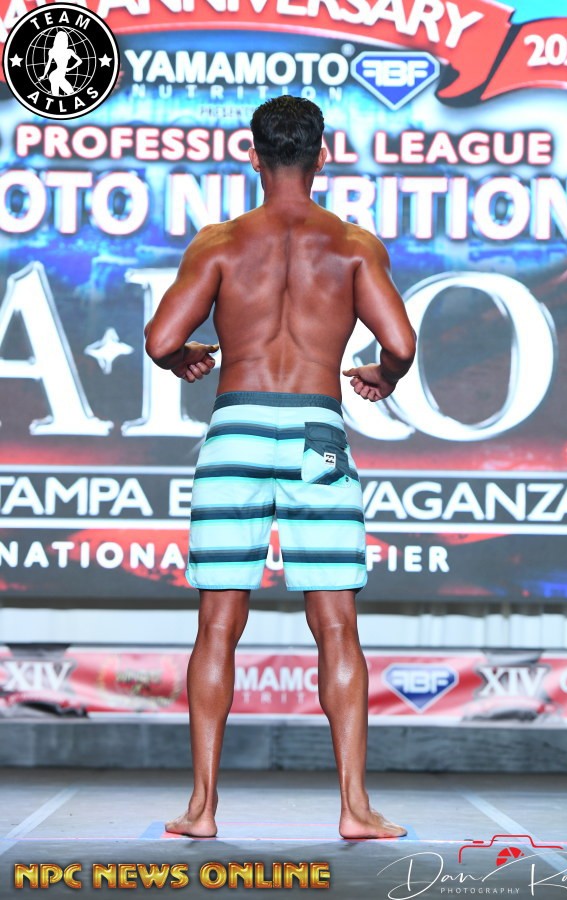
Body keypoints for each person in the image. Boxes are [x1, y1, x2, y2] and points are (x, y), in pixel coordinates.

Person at [144, 96, 416, 840]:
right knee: (336, 624)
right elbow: (400, 342)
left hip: (235, 429)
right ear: (322, 156)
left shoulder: (221, 242)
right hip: (315, 433)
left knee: (217, 623)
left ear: (253, 155)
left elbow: (161, 339)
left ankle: (201, 809)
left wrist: (185, 357)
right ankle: (355, 808)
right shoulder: (353, 244)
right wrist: (385, 375)